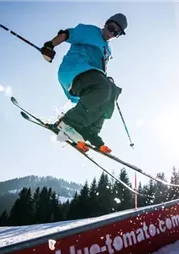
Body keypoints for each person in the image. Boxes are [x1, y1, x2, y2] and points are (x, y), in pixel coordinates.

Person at [40, 14, 128, 154]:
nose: (112, 34)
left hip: (92, 77)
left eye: (116, 33)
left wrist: (106, 79)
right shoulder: (90, 31)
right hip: (75, 71)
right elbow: (67, 34)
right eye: (111, 28)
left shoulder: (108, 50)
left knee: (112, 91)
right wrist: (50, 45)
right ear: (106, 24)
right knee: (104, 87)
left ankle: (90, 131)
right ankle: (67, 122)